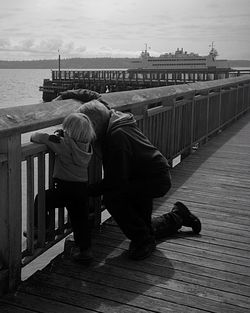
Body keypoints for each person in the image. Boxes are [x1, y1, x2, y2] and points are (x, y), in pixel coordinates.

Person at [58, 90, 202, 261]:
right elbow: (95, 97)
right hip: (145, 174)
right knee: (143, 225)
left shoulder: (115, 138)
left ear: (95, 124)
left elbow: (115, 181)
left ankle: (144, 242)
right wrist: (67, 94)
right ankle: (178, 216)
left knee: (112, 198)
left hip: (151, 179)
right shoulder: (112, 117)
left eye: (87, 127)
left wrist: (85, 191)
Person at [30, 112, 96, 263]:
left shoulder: (63, 143)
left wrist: (56, 136)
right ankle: (86, 250)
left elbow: (37, 137)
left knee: (42, 199)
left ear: (68, 130)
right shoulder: (87, 146)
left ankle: (41, 228)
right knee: (81, 220)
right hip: (81, 189)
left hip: (65, 188)